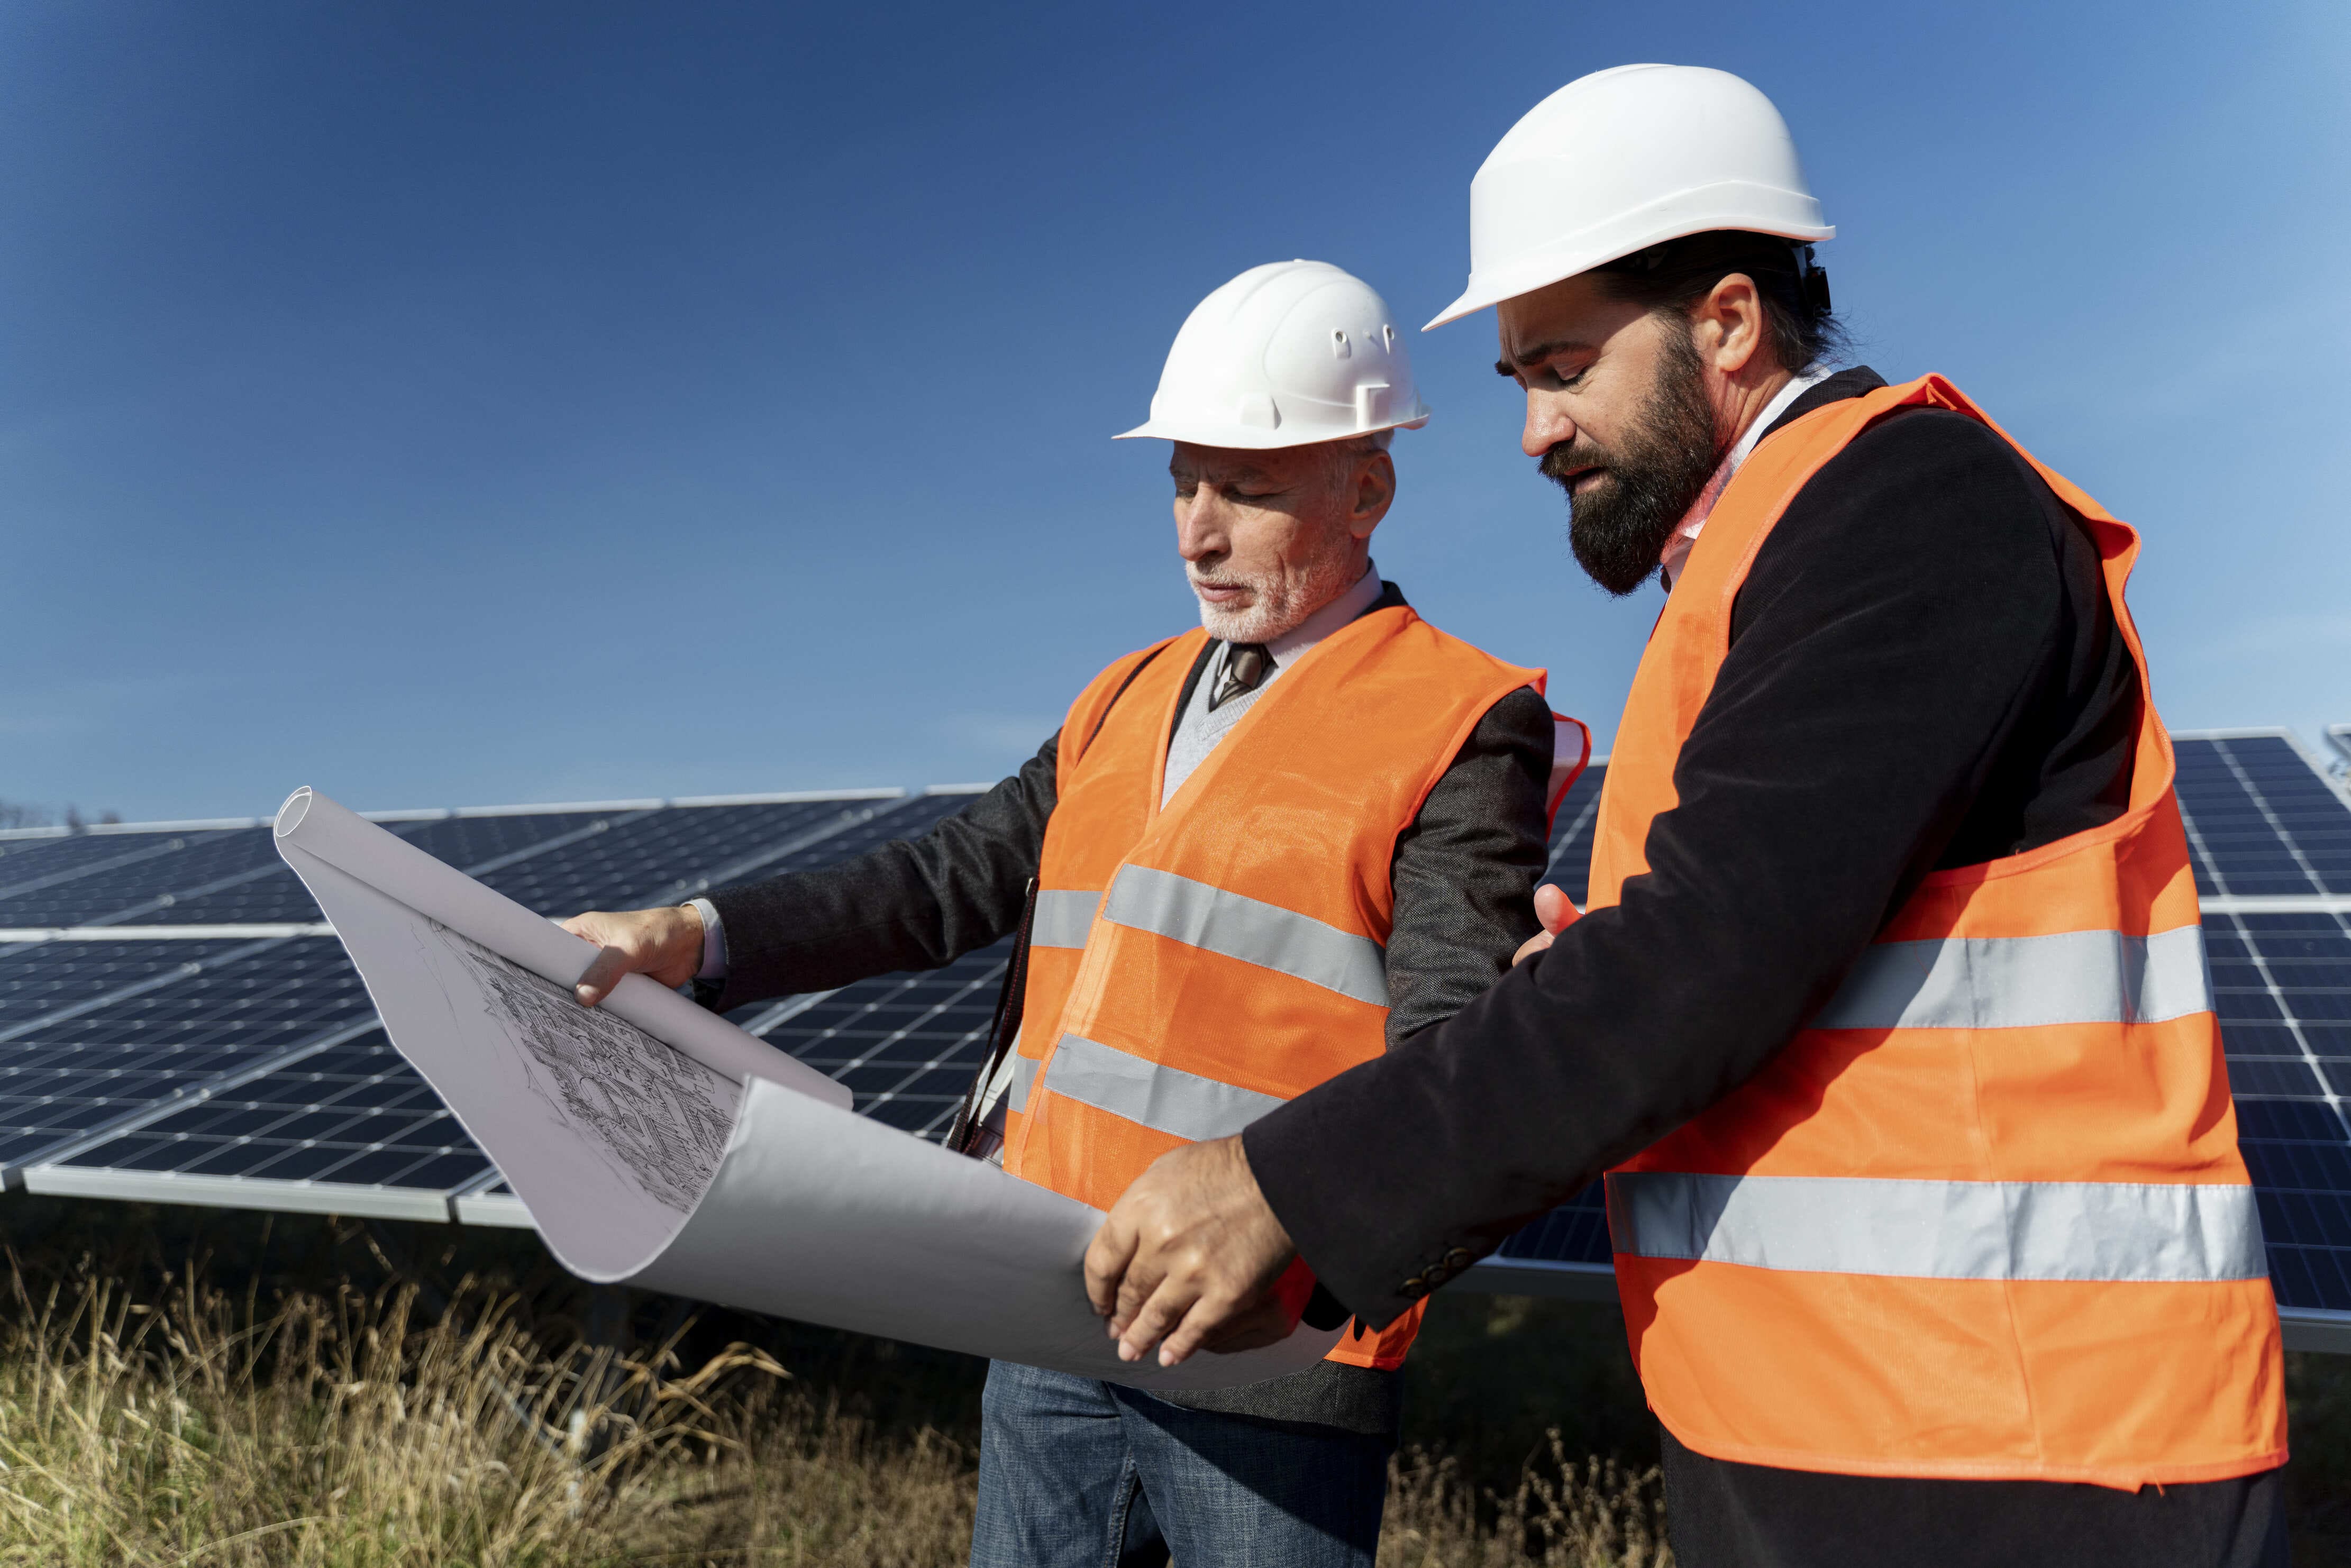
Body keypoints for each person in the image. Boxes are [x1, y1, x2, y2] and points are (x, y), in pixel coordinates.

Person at [1082, 65, 2290, 1568]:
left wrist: (1292, 1184)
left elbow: (1713, 952)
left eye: (1561, 367)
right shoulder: (1746, 565)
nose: (1531, 431)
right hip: (1841, 1411)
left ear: (1724, 321)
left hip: (2023, 1444)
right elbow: (1754, 952)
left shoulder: (1907, 504)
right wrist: (1586, 970)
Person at [559, 259, 1579, 1568]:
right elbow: (943, 880)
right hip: (1047, 1312)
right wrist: (695, 934)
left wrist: (1301, 1235)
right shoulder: (1122, 695)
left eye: (1247, 491)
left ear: (1365, 489)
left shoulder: (1459, 716)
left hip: (1261, 1355)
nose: (1194, 534)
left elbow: (1449, 1046)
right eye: (1181, 483)